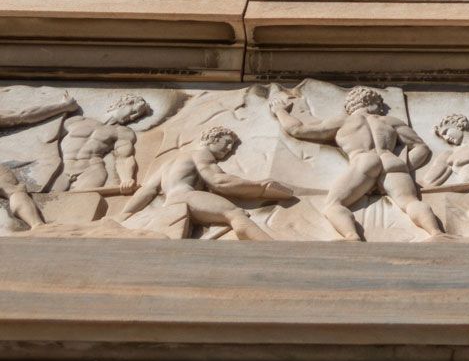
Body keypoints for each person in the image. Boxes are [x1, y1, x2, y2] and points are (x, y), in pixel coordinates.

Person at [269, 84, 446, 242]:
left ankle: (351, 236)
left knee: (334, 204)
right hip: (391, 160)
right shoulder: (390, 121)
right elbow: (421, 147)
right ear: (374, 104)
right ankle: (436, 233)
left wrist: (280, 111)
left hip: (364, 160)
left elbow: (297, 129)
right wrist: (403, 167)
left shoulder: (343, 121)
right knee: (409, 202)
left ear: (350, 106)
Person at [121, 127, 275, 241]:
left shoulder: (169, 162)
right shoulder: (201, 154)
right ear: (214, 138)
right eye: (227, 142)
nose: (230, 149)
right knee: (235, 213)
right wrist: (260, 188)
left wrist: (125, 214)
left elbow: (148, 191)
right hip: (188, 197)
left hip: (170, 202)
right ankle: (270, 247)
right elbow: (218, 180)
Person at [59, 94, 150, 193]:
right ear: (121, 105)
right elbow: (49, 138)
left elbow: (124, 157)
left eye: (137, 115)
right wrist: (63, 106)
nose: (133, 117)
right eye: (133, 111)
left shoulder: (122, 132)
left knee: (77, 203)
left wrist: (126, 179)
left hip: (91, 170)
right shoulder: (77, 120)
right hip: (61, 167)